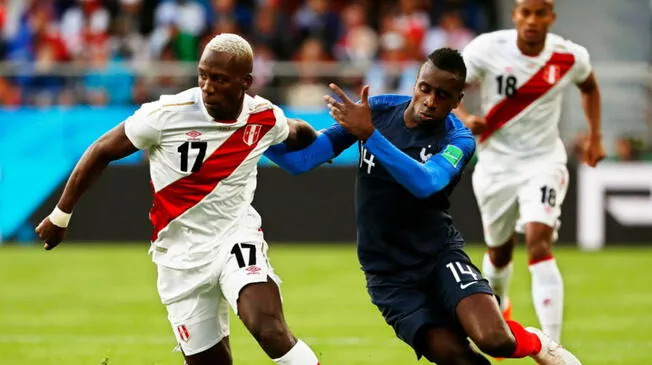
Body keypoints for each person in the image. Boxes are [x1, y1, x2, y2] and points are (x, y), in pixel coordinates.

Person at [264, 48, 581, 364]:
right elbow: (302, 161)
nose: (430, 100)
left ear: (457, 101)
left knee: (494, 340)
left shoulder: (459, 140)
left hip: (439, 257)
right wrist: (257, 134)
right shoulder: (378, 111)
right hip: (388, 275)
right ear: (415, 84)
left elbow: (425, 182)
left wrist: (371, 136)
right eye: (425, 89)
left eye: (442, 95)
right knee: (456, 357)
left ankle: (538, 344)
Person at [35, 33, 320, 365]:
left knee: (269, 328)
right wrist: (59, 217)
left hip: (235, 239)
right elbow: (101, 151)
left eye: (219, 79)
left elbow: (297, 131)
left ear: (245, 82)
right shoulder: (166, 114)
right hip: (179, 257)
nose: (207, 86)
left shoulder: (263, 117)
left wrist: (327, 143)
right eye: (203, 75)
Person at [453, 0, 605, 343]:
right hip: (495, 165)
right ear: (515, 16)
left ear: (551, 17)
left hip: (544, 161)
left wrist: (595, 136)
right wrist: (462, 118)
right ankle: (500, 305)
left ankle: (553, 345)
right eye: (526, 13)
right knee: (499, 252)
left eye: (540, 13)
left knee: (539, 241)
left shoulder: (569, 55)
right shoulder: (487, 49)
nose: (532, 20)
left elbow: (590, 86)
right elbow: (448, 82)